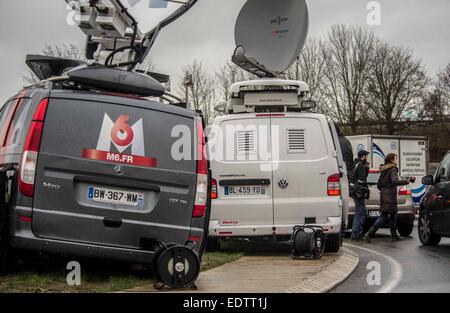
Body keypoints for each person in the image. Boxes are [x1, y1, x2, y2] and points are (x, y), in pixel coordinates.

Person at [365, 153, 415, 242]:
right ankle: (370, 234)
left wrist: (385, 191)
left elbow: (379, 184)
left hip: (384, 196)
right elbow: (395, 181)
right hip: (390, 197)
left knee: (393, 215)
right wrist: (407, 181)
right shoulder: (393, 169)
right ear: (391, 160)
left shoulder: (384, 170)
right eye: (396, 158)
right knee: (384, 216)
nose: (397, 160)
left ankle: (394, 235)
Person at [350, 149, 370, 241]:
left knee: (360, 212)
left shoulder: (354, 164)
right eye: (366, 156)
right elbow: (363, 180)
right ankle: (356, 234)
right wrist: (366, 169)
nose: (367, 158)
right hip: (359, 192)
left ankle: (356, 233)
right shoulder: (361, 165)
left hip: (354, 191)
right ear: (363, 156)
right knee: (361, 213)